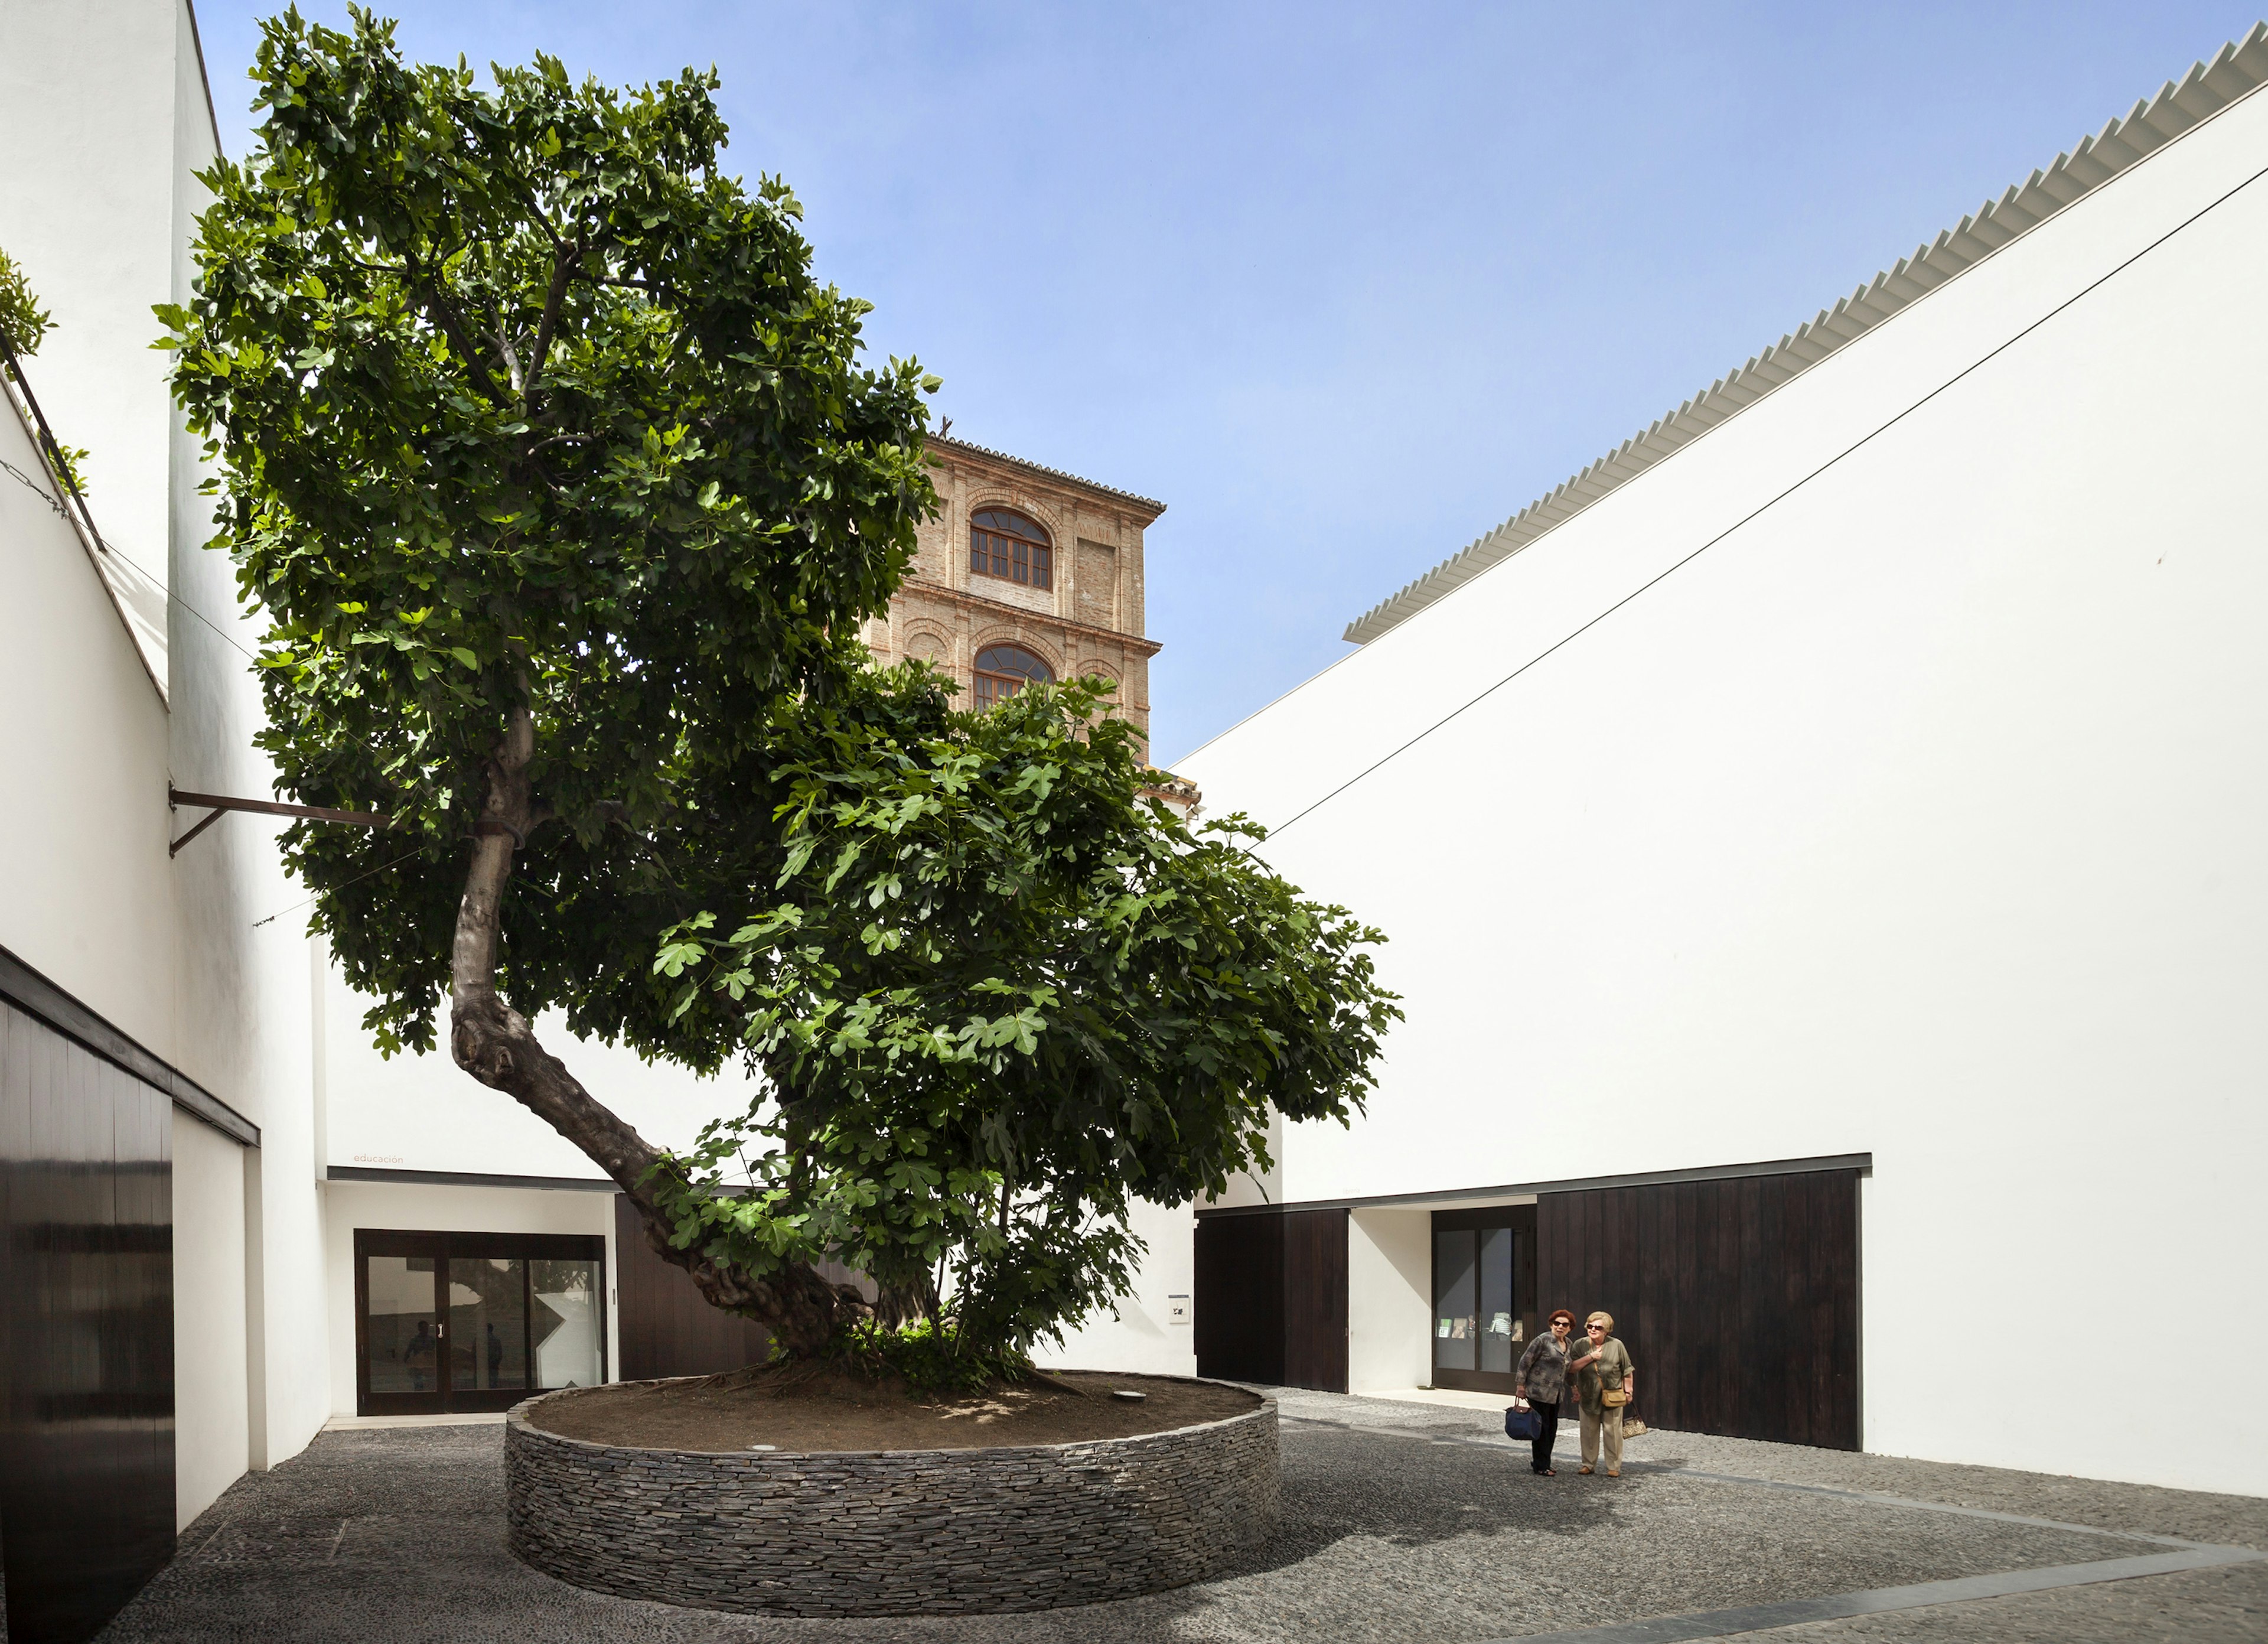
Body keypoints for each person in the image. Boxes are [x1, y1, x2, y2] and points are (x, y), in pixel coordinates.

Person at [1570, 1310, 1635, 1477]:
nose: (1593, 1329)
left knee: (1612, 1432)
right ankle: (1588, 1464)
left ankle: (1614, 1467)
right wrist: (1591, 1357)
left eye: (1598, 1327)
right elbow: (1572, 1368)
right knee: (1588, 1432)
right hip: (1588, 1394)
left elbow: (1627, 1370)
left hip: (1612, 1395)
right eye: (1590, 1326)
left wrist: (1628, 1391)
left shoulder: (1616, 1345)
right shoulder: (1580, 1345)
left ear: (1607, 1330)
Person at [1513, 1308, 1576, 1475]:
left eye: (1565, 1324)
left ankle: (1544, 1462)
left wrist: (1574, 1388)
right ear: (1551, 1324)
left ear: (1570, 1328)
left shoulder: (1568, 1344)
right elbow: (1525, 1362)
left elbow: (1567, 1369)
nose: (1560, 1327)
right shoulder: (1542, 1340)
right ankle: (1541, 1466)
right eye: (1557, 1323)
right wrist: (1520, 1386)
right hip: (1538, 1392)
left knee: (1551, 1429)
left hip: (1556, 1395)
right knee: (1542, 1430)